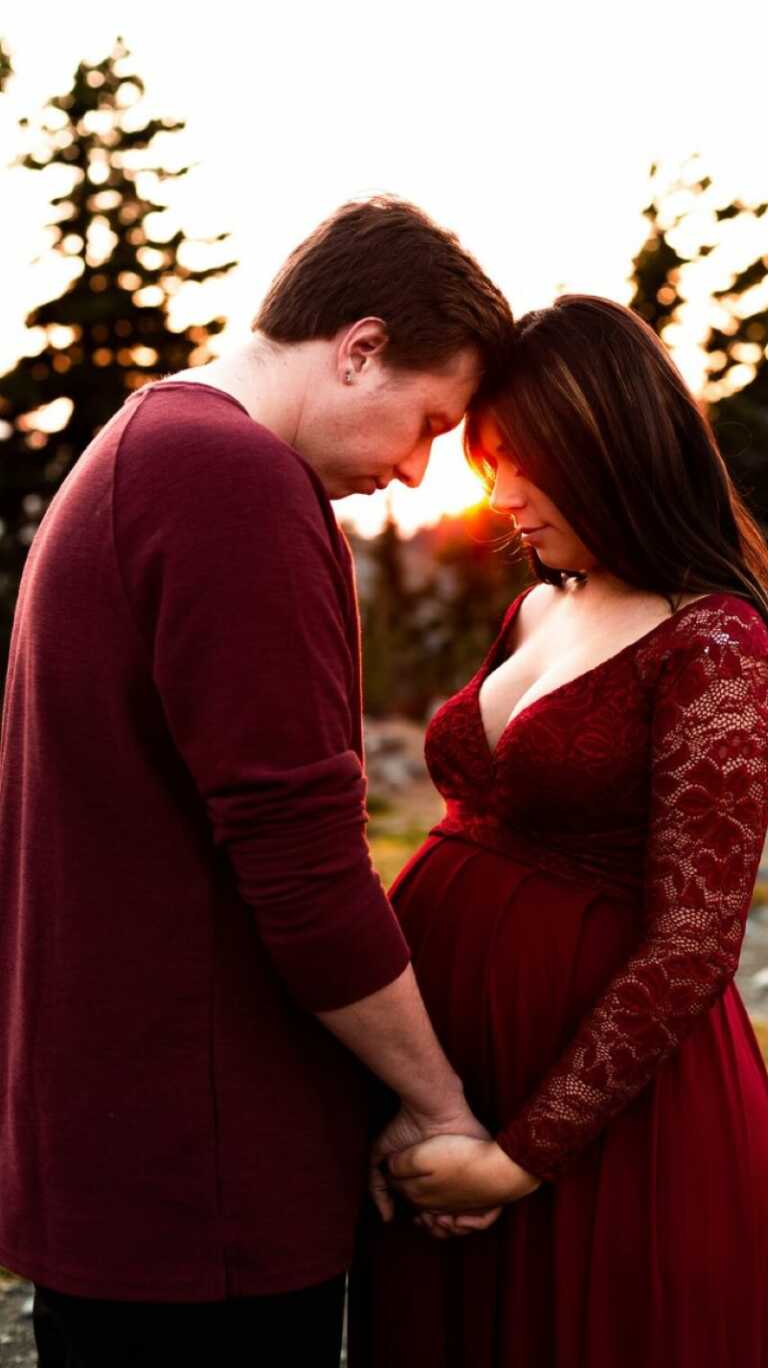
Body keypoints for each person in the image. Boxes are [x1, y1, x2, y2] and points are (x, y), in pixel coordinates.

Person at [0, 197, 513, 1368]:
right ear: (361, 347)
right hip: (203, 1188)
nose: (417, 469)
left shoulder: (146, 442)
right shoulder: (231, 482)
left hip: (130, 1157)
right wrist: (437, 1104)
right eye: (429, 421)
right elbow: (303, 860)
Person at [350, 296, 768, 1368]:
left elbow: (696, 935)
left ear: (610, 443)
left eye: (522, 461)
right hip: (454, 1092)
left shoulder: (716, 640)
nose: (501, 495)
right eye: (489, 460)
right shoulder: (543, 602)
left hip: (605, 1135)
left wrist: (516, 1162)